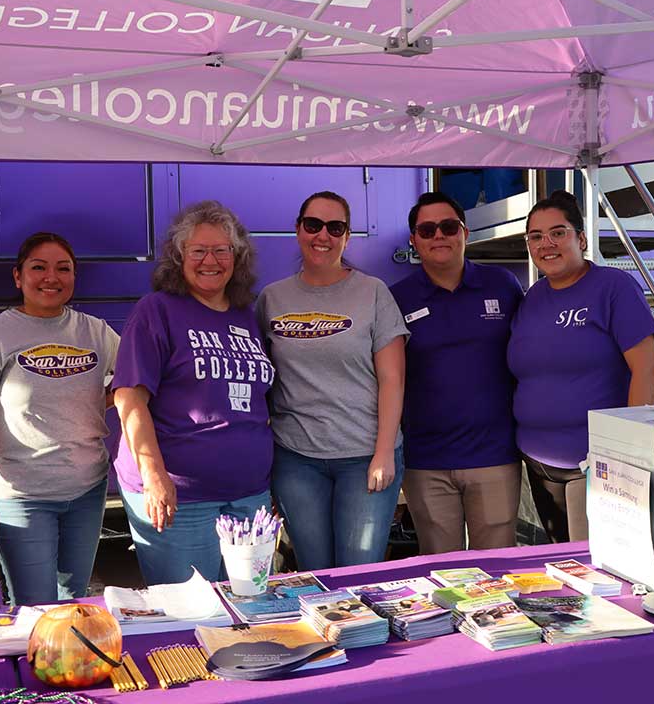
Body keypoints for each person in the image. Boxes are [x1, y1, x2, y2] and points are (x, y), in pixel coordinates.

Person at [112, 201, 275, 584]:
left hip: (249, 494)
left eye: (222, 250)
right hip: (180, 498)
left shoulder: (247, 315)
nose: (210, 260)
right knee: (190, 613)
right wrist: (154, 476)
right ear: (178, 257)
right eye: (198, 250)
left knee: (247, 607)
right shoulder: (157, 311)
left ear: (237, 257)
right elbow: (129, 399)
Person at [0, 232, 119, 604]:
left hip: (87, 489)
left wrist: (97, 402)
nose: (52, 277)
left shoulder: (97, 333)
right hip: (22, 497)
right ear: (18, 276)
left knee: (73, 599)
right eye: (38, 267)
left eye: (64, 269)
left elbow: (131, 385)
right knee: (34, 605)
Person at [256, 191, 408, 570]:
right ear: (298, 230)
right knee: (315, 571)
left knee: (358, 571)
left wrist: (384, 453)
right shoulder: (271, 299)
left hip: (364, 456)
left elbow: (393, 379)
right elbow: (259, 376)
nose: (322, 235)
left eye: (334, 227)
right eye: (313, 225)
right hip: (296, 460)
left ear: (347, 237)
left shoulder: (373, 293)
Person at [507, 191, 654, 543]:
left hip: (595, 464)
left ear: (581, 238)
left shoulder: (613, 287)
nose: (547, 243)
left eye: (558, 233)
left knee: (595, 571)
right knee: (562, 565)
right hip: (537, 462)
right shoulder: (532, 298)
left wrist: (628, 452)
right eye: (536, 236)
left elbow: (646, 370)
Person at [389, 192, 524, 554]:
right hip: (426, 460)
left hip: (495, 454)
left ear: (464, 232)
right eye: (427, 229)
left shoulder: (504, 286)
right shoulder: (394, 298)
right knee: (442, 571)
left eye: (448, 227)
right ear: (414, 240)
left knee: (499, 569)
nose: (439, 236)